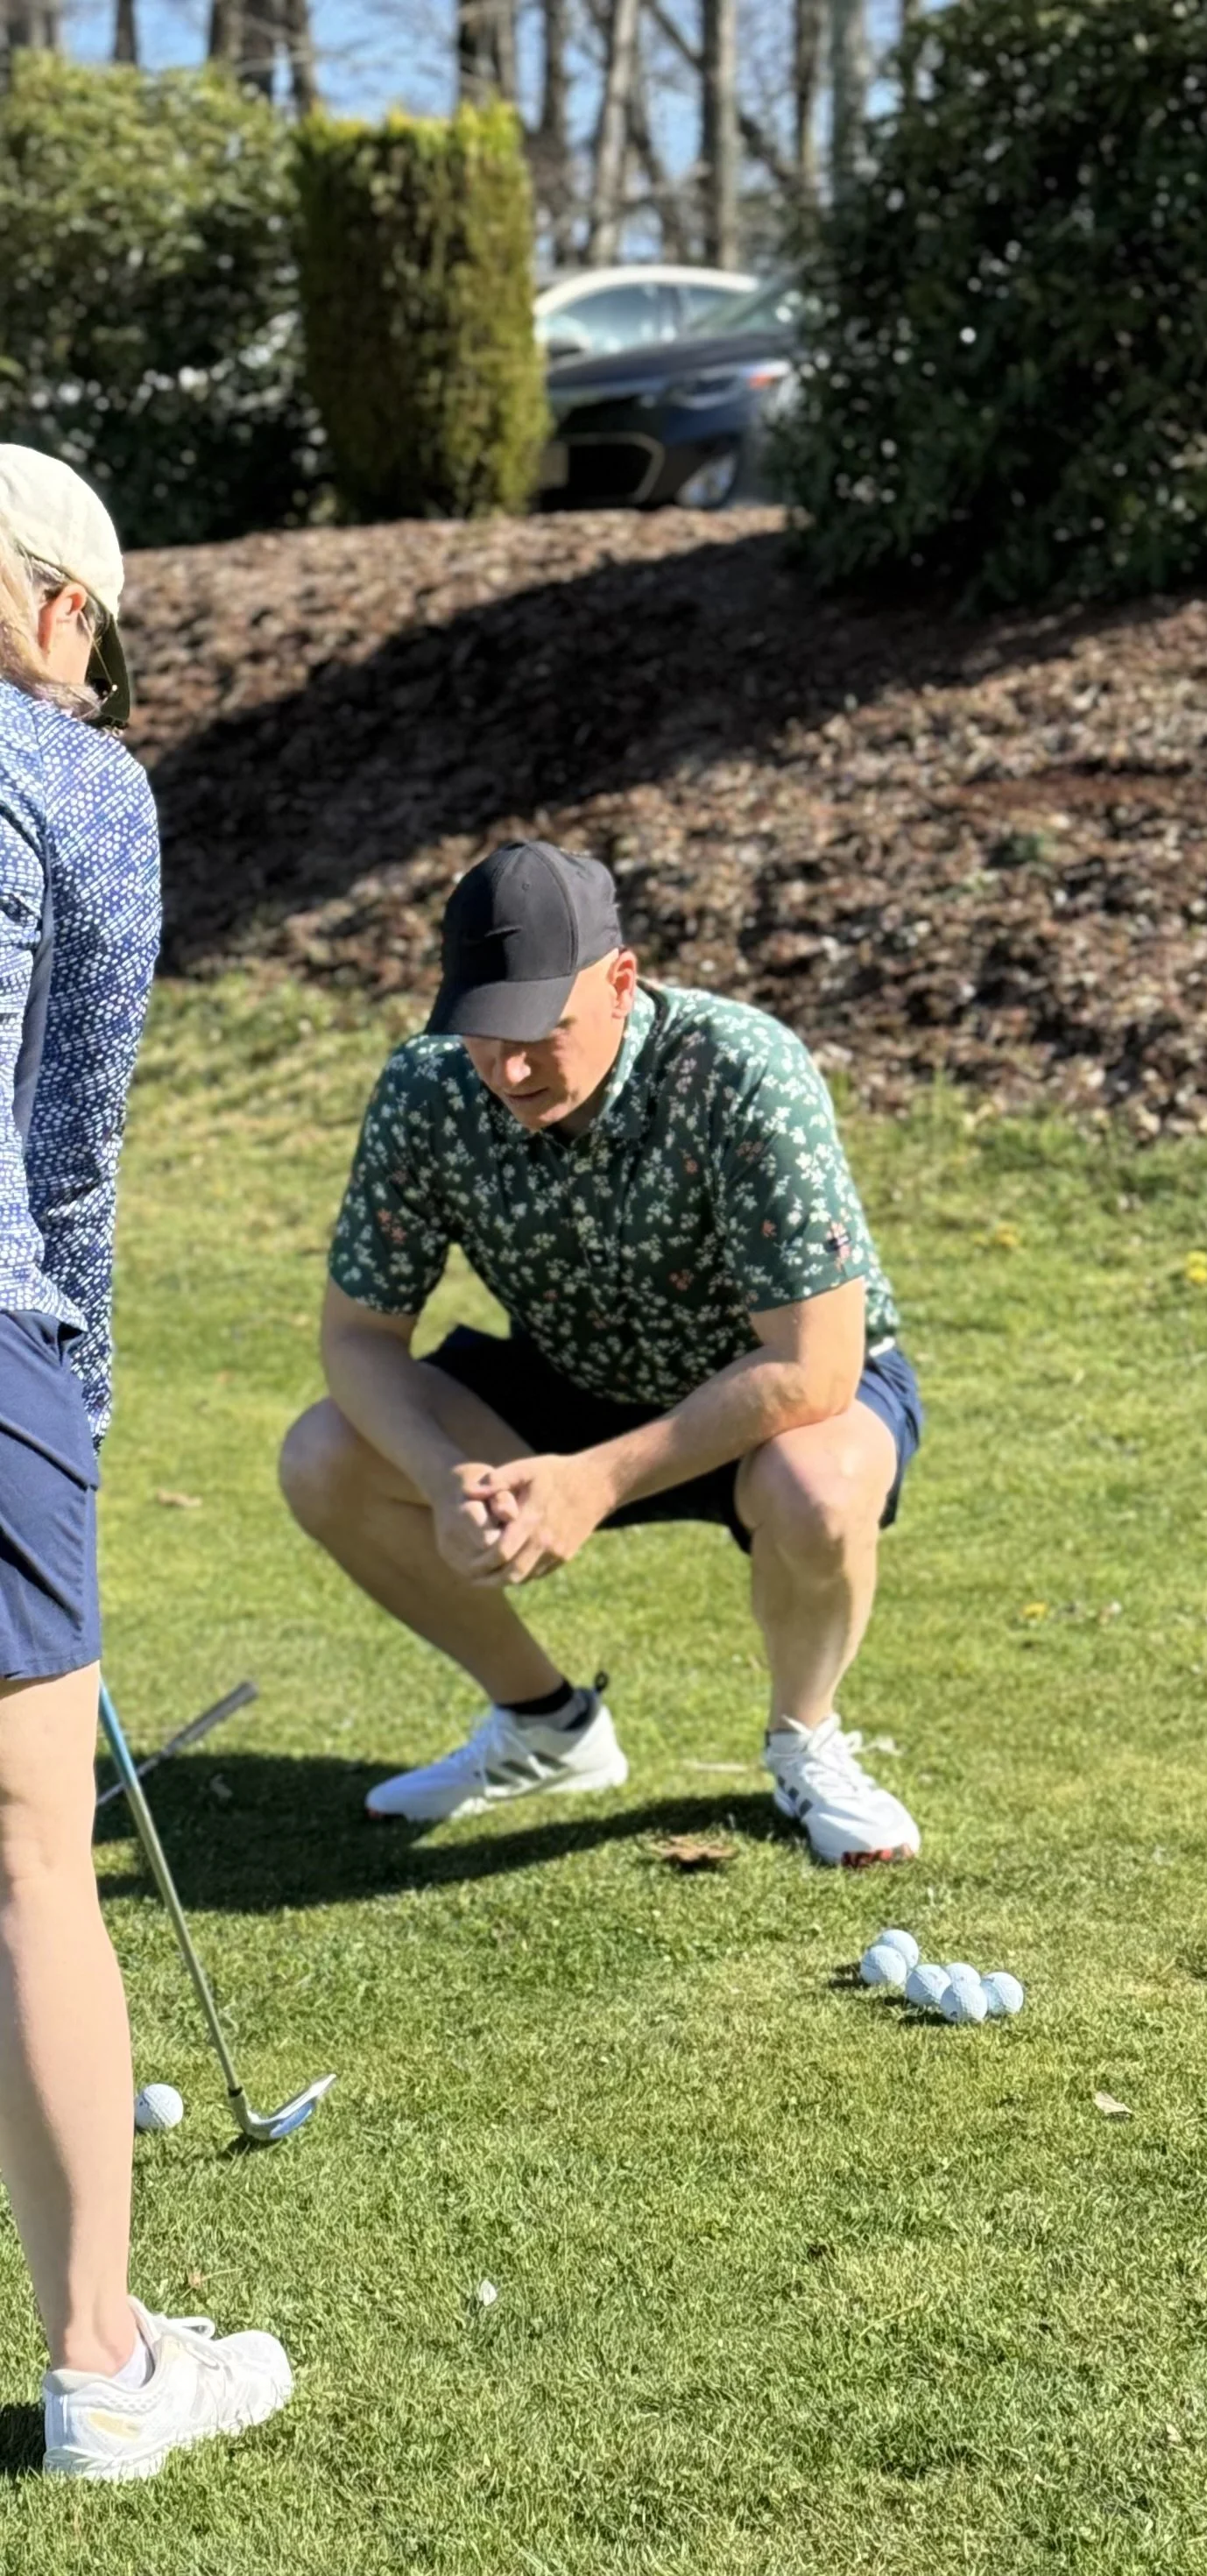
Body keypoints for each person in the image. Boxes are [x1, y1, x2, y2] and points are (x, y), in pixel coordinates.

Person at [283, 838, 924, 1865]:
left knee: (817, 1484)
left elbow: (815, 1367)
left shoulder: (741, 1067)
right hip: (571, 1376)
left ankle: (806, 1740)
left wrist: (596, 1481)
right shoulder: (427, 1088)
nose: (514, 1065)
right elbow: (358, 1338)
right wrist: (444, 1479)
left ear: (621, 982)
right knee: (325, 1457)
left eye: (546, 1027)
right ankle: (546, 1729)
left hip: (771, 1394)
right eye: (485, 1030)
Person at [0, 447, 292, 2481]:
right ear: (50, 611)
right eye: (86, 629)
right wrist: (67, 1395)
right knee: (28, 1861)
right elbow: (71, 1130)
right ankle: (103, 2364)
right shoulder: (76, 781)